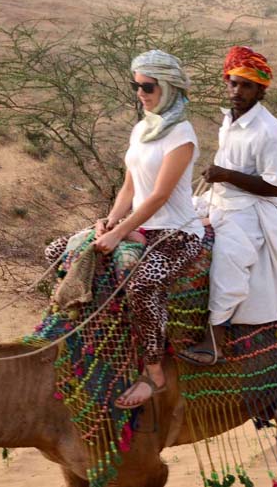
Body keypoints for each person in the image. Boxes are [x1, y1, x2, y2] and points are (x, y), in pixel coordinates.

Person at [84, 50, 205, 408]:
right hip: (140, 226)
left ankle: (154, 373)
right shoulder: (143, 128)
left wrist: (119, 232)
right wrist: (110, 219)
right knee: (64, 252)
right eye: (135, 85)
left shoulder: (181, 135)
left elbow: (159, 196)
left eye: (147, 86)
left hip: (176, 232)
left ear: (167, 88)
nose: (140, 93)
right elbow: (130, 188)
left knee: (142, 286)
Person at [179, 46, 277, 365]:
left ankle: (215, 337)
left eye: (246, 85)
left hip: (250, 209)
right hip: (217, 199)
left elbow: (275, 187)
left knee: (229, 260)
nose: (237, 90)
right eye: (233, 83)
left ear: (261, 89)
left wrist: (226, 175)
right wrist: (219, 175)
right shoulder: (228, 119)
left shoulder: (271, 130)